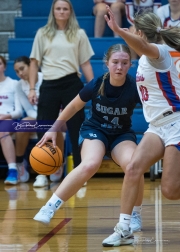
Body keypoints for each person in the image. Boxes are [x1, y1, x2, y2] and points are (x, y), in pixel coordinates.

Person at [33, 43, 145, 238]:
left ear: (130, 65)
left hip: (121, 134)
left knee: (134, 165)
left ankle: (135, 214)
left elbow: (154, 108)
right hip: (95, 130)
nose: (119, 67)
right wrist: (54, 128)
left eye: (124, 63)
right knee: (90, 164)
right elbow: (74, 106)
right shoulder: (96, 83)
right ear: (107, 64)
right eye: (115, 62)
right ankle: (49, 207)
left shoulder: (135, 87)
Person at [102, 6, 180, 247]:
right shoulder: (148, 56)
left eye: (134, 29)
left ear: (141, 34)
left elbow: (144, 47)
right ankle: (124, 228)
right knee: (133, 168)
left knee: (169, 190)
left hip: (176, 121)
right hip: (157, 126)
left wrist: (116, 30)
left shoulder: (160, 52)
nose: (130, 31)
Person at [28, 0, 94, 181]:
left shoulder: (79, 34)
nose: (62, 11)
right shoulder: (42, 33)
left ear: (70, 12)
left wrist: (95, 87)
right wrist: (32, 88)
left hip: (72, 83)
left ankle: (81, 172)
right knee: (44, 125)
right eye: (58, 8)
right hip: (49, 83)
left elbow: (85, 63)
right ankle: (43, 172)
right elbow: (34, 63)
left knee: (77, 128)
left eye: (65, 9)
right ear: (53, 11)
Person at [14, 56, 64, 187]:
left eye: (22, 69)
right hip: (36, 117)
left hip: (56, 116)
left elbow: (58, 105)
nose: (20, 73)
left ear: (31, 66)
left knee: (54, 125)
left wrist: (47, 117)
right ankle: (20, 163)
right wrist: (42, 118)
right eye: (17, 71)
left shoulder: (47, 78)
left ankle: (57, 161)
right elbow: (28, 109)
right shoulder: (19, 86)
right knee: (23, 124)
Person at [0, 55, 22, 185]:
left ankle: (13, 170)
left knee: (2, 130)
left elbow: (19, 111)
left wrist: (5, 116)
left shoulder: (14, 84)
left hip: (9, 120)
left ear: (4, 66)